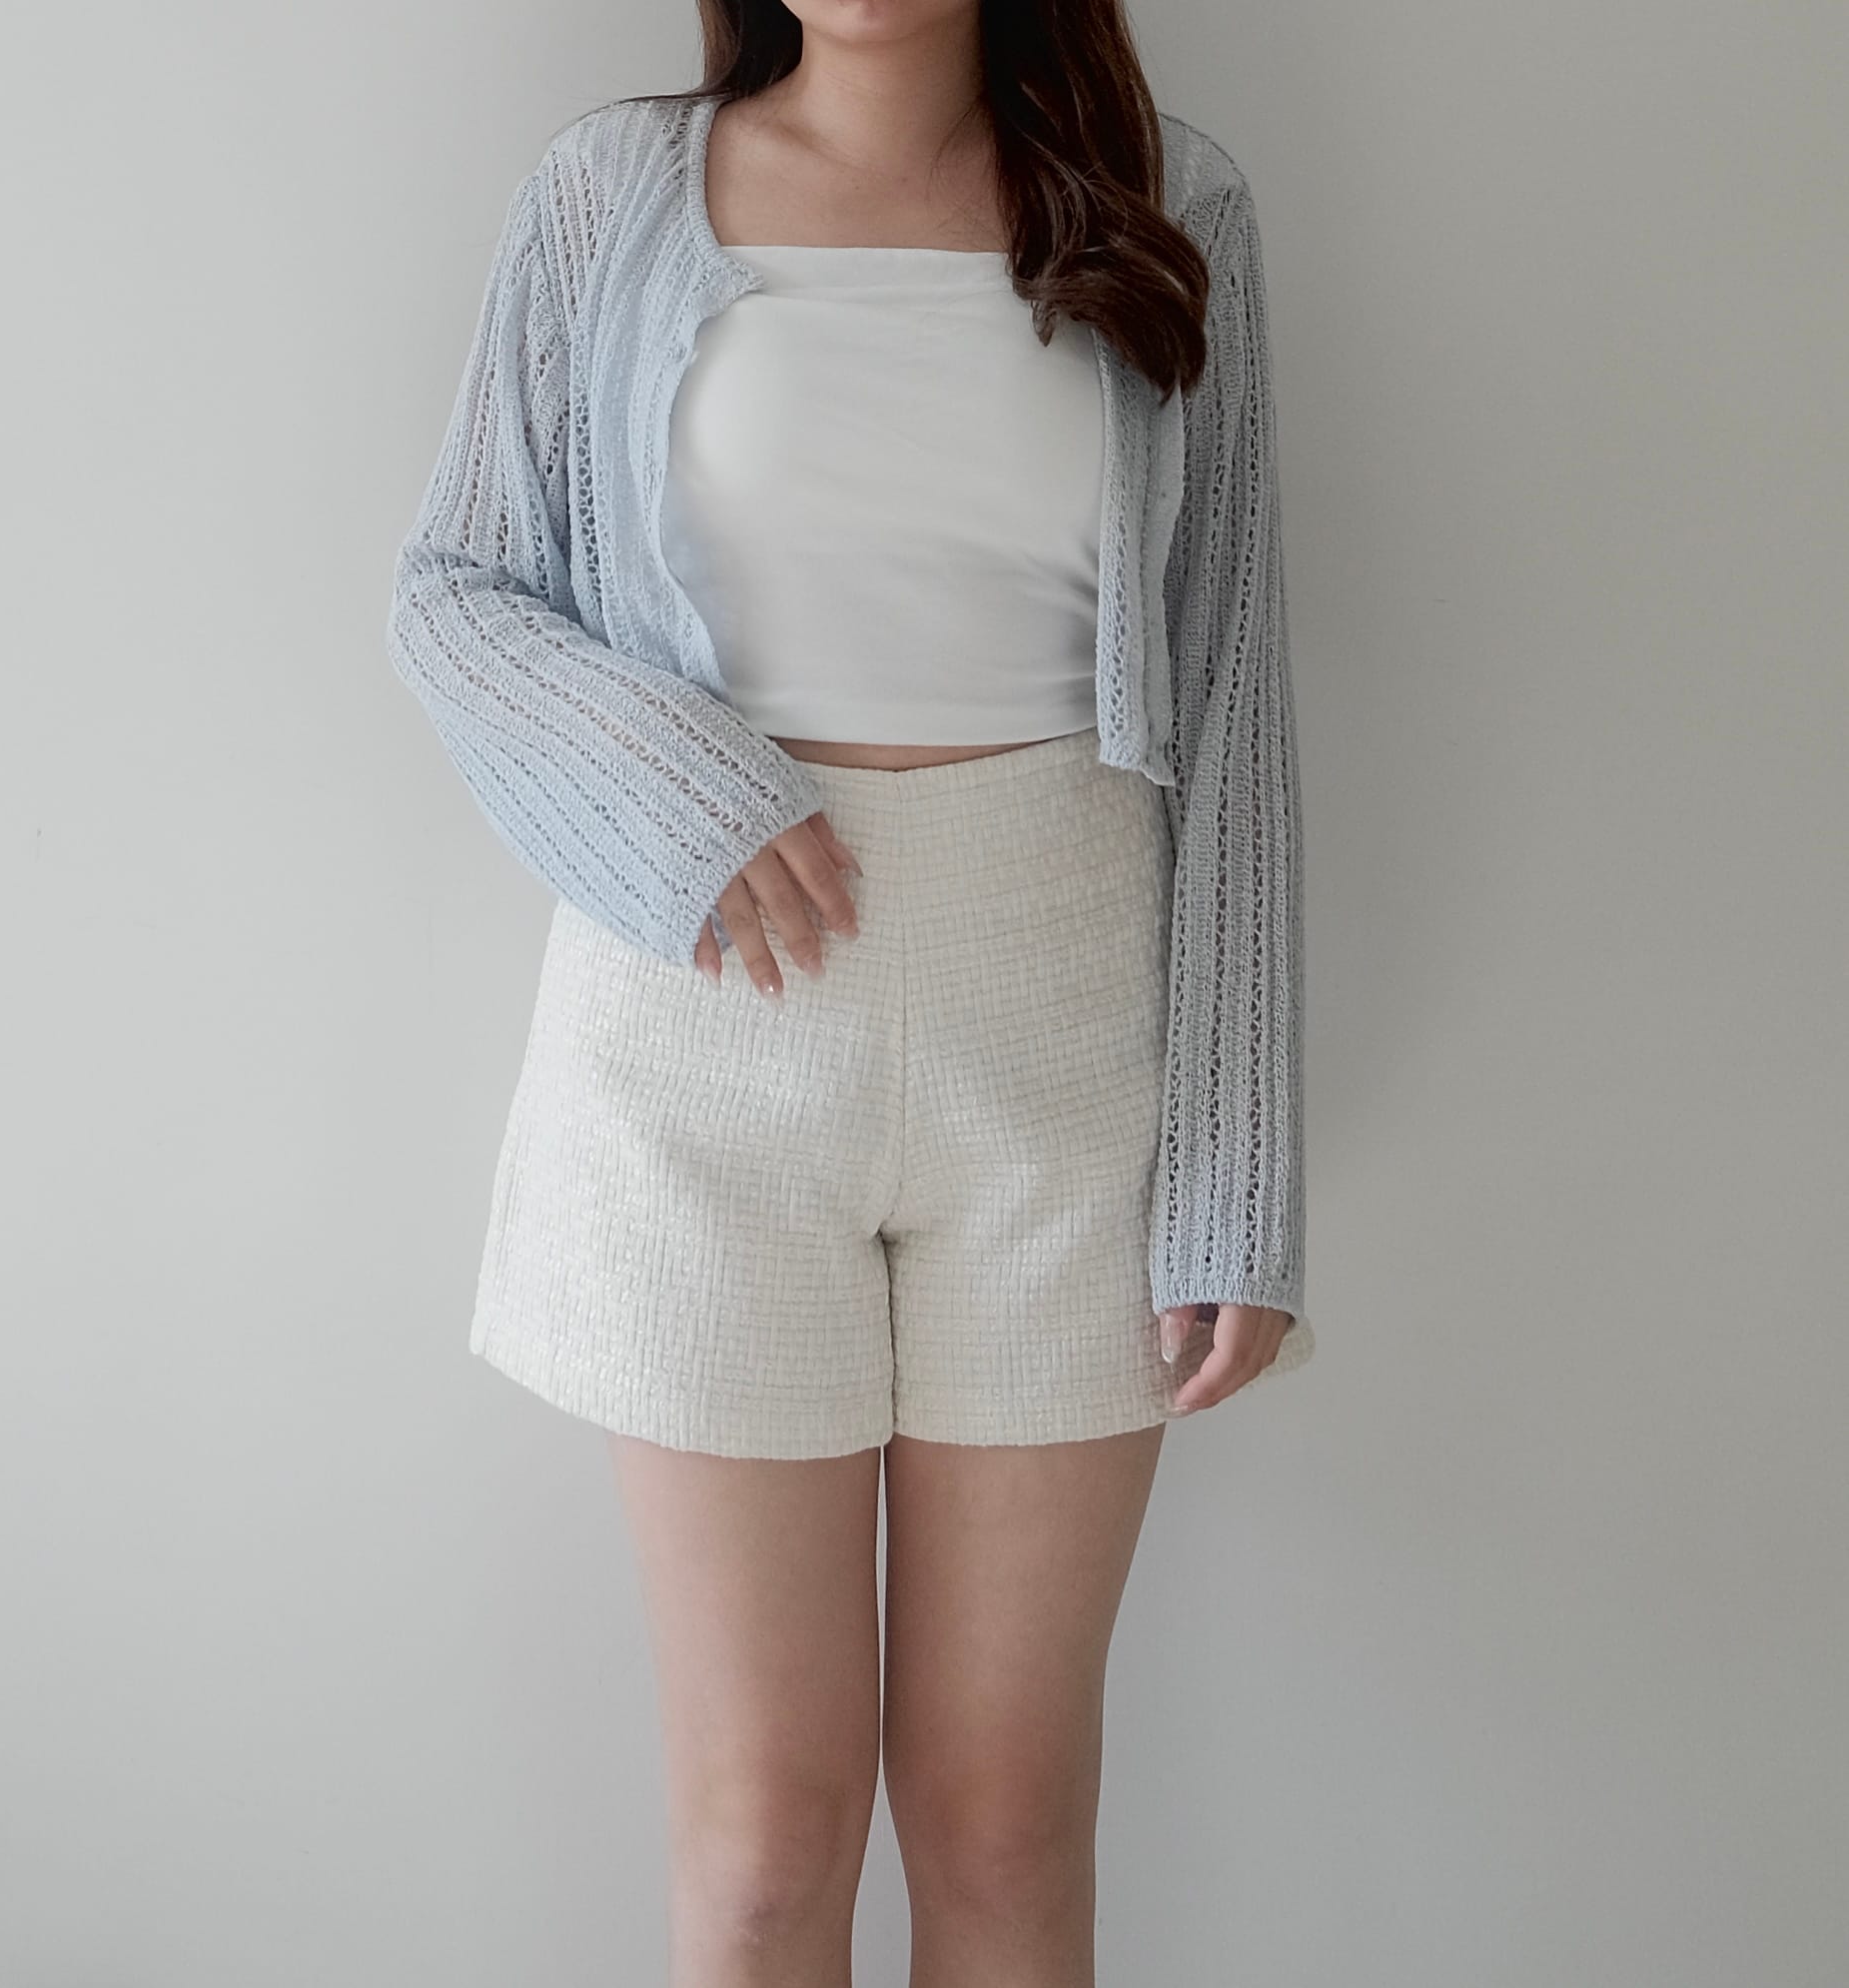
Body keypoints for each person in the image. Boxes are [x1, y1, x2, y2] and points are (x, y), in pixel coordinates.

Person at [385, 4, 1315, 1980]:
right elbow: (456, 588)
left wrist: (1235, 1164)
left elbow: (1230, 683)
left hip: (1064, 1050)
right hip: (698, 1054)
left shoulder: (1170, 203)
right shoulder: (608, 196)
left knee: (1002, 1820)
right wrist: (672, 792)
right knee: (759, 1847)